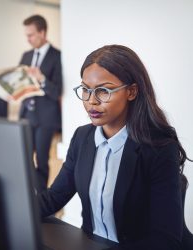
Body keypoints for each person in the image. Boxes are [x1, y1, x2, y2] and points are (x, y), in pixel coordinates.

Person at [38, 44, 191, 249]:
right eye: (85, 90)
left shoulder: (159, 148)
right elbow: (54, 197)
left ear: (131, 91)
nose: (91, 101)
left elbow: (165, 238)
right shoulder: (82, 137)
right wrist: (4, 210)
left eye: (104, 91)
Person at [19, 15, 62, 191]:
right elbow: (20, 83)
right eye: (26, 35)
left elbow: (57, 91)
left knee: (42, 161)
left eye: (31, 35)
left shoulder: (57, 56)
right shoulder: (26, 55)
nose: (28, 39)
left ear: (42, 32)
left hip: (46, 118)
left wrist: (41, 78)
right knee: (24, 159)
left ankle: (42, 202)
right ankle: (28, 196)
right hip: (26, 115)